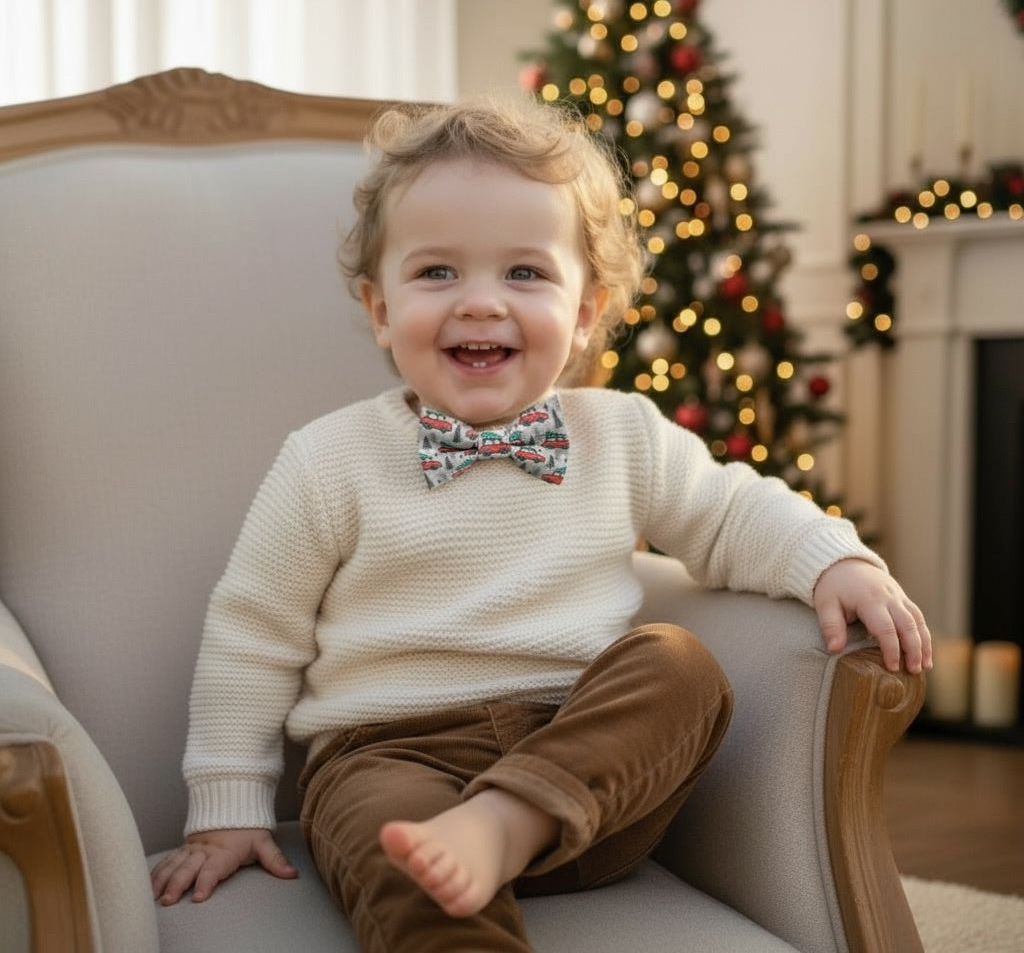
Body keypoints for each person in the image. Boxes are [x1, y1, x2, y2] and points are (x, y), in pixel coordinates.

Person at [150, 95, 931, 952]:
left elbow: (731, 512)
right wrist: (224, 808)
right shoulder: (329, 459)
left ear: (588, 311)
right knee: (397, 849)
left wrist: (831, 561)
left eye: (524, 274)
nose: (481, 304)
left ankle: (506, 821)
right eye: (438, 273)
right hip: (391, 765)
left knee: (679, 664)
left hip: (587, 778)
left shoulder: (620, 433)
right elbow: (253, 631)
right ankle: (468, 876)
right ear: (379, 309)